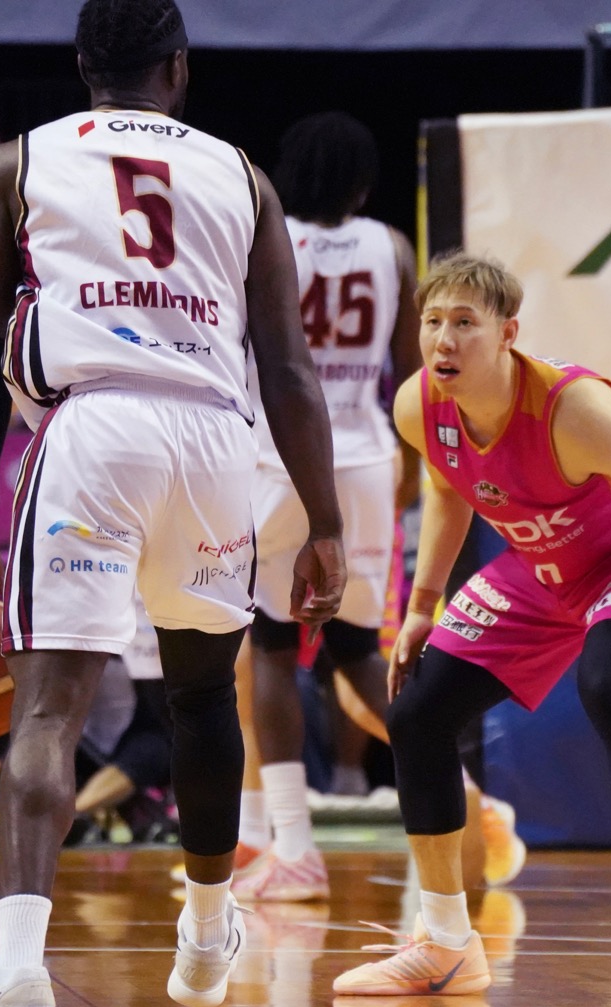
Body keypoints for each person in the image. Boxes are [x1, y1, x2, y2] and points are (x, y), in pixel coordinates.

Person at [0, 0, 344, 1007]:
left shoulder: (14, 164)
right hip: (214, 441)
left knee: (46, 713)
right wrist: (324, 523)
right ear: (178, 69)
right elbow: (288, 369)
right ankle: (207, 926)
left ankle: (19, 975)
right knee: (201, 695)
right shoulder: (244, 176)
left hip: (93, 431)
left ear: (80, 65)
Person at [332, 252, 611, 1003]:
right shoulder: (418, 405)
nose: (443, 339)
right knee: (417, 714)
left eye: (465, 323)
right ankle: (446, 945)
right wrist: (424, 602)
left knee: (610, 688)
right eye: (433, 321)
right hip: (541, 562)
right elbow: (449, 487)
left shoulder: (574, 411)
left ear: (508, 334)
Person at [233, 111, 424, 903]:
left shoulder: (266, 239)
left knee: (273, 646)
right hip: (370, 457)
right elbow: (411, 373)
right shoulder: (394, 247)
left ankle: (294, 847)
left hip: (283, 457)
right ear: (363, 184)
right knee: (356, 651)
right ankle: (454, 789)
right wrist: (413, 467)